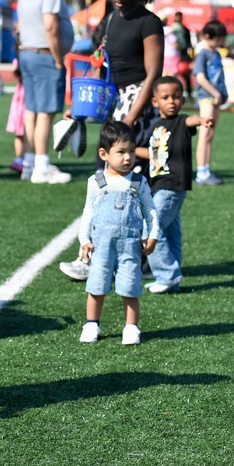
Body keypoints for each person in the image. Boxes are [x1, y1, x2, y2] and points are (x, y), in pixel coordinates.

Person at [77, 121, 159, 345]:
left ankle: (131, 327)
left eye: (131, 151)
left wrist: (153, 235)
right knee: (97, 284)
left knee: (130, 285)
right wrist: (84, 240)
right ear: (104, 154)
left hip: (130, 246)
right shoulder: (96, 182)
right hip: (101, 245)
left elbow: (150, 210)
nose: (128, 157)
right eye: (121, 152)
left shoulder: (138, 182)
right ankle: (91, 323)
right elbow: (88, 212)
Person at [137, 76, 211, 294]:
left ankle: (167, 275)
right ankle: (172, 278)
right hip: (159, 186)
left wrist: (203, 120)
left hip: (172, 186)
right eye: (166, 97)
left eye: (177, 97)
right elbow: (152, 155)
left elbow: (192, 120)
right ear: (154, 102)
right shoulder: (156, 127)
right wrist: (127, 151)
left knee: (151, 228)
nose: (172, 101)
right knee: (170, 233)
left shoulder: (181, 122)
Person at [90, 0, 164, 171]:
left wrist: (130, 118)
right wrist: (78, 108)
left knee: (133, 178)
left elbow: (153, 73)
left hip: (137, 108)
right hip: (112, 105)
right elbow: (102, 64)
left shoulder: (149, 22)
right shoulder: (111, 18)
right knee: (103, 174)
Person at [16, 0, 74, 184]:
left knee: (32, 110)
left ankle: (29, 163)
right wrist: (58, 57)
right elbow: (50, 24)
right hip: (43, 54)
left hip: (27, 52)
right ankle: (41, 165)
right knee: (46, 113)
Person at [192, 20, 228, 186]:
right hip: (206, 97)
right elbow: (200, 77)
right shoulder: (202, 54)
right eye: (218, 39)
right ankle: (201, 172)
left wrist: (222, 94)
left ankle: (206, 169)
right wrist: (215, 92)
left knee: (210, 134)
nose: (221, 42)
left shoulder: (216, 53)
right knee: (205, 133)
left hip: (216, 98)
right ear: (207, 36)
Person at [6, 59, 26, 174]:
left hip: (19, 101)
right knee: (28, 133)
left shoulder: (17, 61)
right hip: (27, 100)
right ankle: (26, 159)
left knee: (19, 133)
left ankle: (19, 159)